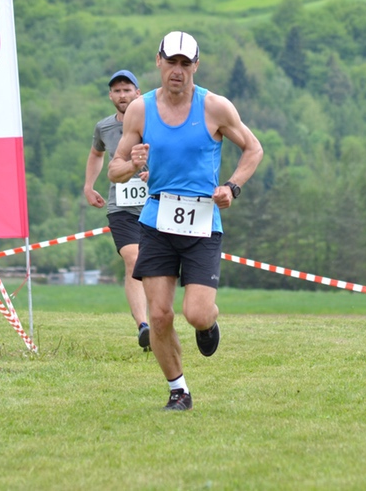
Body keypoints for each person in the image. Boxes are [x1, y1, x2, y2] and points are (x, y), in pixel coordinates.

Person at [109, 30, 263, 411]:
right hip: (157, 220)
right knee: (159, 315)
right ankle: (178, 390)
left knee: (196, 312)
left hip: (202, 223)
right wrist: (132, 164)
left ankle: (208, 324)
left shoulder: (215, 107)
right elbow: (114, 170)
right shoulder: (140, 110)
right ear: (158, 61)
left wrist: (232, 187)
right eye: (171, 62)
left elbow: (253, 149)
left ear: (196, 65)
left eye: (185, 63)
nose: (177, 71)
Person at [84, 69, 151, 350]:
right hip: (121, 206)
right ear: (111, 96)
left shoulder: (154, 121)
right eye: (117, 91)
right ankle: (143, 326)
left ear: (138, 93)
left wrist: (155, 173)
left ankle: (160, 322)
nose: (122, 95)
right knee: (133, 260)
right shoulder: (104, 127)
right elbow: (96, 153)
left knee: (158, 268)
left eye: (127, 90)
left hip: (156, 203)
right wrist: (89, 186)